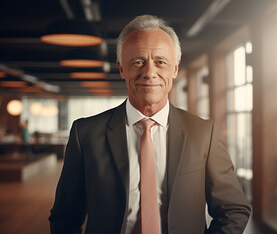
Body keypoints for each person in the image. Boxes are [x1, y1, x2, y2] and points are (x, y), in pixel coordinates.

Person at [49, 14, 251, 234]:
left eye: (160, 62)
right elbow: (65, 217)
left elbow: (233, 209)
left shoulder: (203, 133)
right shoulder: (85, 133)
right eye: (138, 62)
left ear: (174, 68)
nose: (149, 72)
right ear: (121, 68)